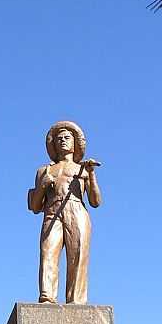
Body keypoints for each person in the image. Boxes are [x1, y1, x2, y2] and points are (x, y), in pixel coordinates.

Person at [28, 121, 101, 304]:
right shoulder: (44, 170)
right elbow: (36, 207)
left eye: (67, 137)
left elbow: (95, 201)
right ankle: (47, 296)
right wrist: (43, 186)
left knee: (78, 255)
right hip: (52, 212)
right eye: (59, 138)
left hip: (76, 210)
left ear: (75, 142)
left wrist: (91, 174)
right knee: (48, 252)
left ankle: (76, 300)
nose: (62, 141)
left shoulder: (82, 169)